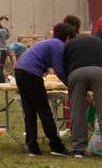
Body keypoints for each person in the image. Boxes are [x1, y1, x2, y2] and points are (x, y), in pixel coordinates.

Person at [12, 23, 76, 156]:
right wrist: (71, 85)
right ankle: (56, 146)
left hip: (20, 71)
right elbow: (60, 70)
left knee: (29, 110)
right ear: (68, 37)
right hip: (31, 74)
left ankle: (32, 147)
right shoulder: (58, 45)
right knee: (44, 111)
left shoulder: (50, 42)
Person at [61, 31, 102, 159]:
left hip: (76, 73)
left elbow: (64, 64)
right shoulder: (100, 43)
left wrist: (71, 81)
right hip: (100, 72)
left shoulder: (69, 44)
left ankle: (78, 149)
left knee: (77, 110)